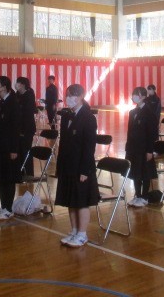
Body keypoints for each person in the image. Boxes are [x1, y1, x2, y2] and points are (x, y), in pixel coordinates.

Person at [55, 84, 99, 248]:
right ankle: (73, 230)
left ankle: (82, 233)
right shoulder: (67, 115)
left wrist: (85, 170)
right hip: (67, 164)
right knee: (70, 200)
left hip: (81, 166)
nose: (69, 98)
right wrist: (59, 166)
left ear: (81, 96)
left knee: (81, 201)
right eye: (67, 95)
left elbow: (89, 147)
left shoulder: (88, 117)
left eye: (72, 95)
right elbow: (63, 143)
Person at [0, 76, 21, 220]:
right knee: (1, 177)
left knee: (8, 178)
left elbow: (15, 128)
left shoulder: (13, 102)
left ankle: (8, 208)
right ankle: (4, 206)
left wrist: (14, 149)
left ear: (5, 87)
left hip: (9, 146)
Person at [125, 87, 158, 208]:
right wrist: (128, 147)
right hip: (133, 148)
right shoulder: (132, 112)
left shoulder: (149, 113)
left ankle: (144, 197)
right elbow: (130, 131)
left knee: (145, 172)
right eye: (133, 94)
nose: (134, 96)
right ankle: (138, 195)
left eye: (137, 94)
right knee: (135, 172)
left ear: (143, 96)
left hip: (144, 148)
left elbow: (152, 134)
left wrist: (150, 150)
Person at [15, 76, 36, 178]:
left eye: (18, 83)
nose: (16, 85)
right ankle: (20, 171)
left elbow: (27, 114)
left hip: (27, 128)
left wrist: (23, 130)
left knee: (26, 150)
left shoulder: (29, 95)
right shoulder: (17, 94)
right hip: (18, 127)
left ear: (23, 84)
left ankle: (28, 173)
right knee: (19, 150)